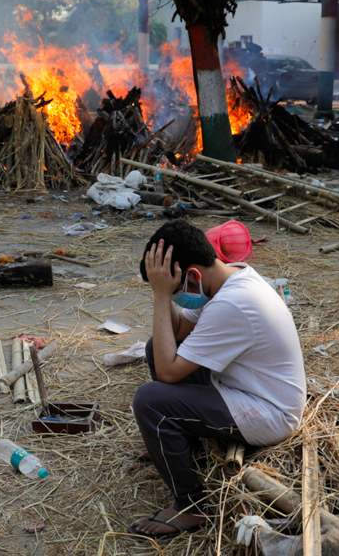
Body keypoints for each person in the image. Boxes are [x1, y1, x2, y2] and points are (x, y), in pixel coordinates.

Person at [128, 220, 306, 540]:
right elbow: (178, 332)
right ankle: (180, 441)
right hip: (246, 389)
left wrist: (159, 296)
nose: (174, 295)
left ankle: (191, 506)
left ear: (193, 275)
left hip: (270, 412)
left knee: (149, 401)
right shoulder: (228, 278)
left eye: (176, 287)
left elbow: (169, 372)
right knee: (158, 346)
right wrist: (166, 291)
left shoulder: (232, 303)